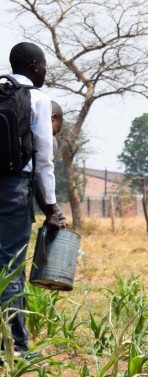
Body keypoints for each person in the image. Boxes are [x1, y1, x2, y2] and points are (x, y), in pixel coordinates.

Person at [0, 42, 64, 359]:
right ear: (34, 66)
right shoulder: (37, 100)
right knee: (11, 266)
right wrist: (51, 207)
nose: (45, 71)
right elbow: (43, 161)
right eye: (43, 66)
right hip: (14, 191)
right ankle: (15, 347)